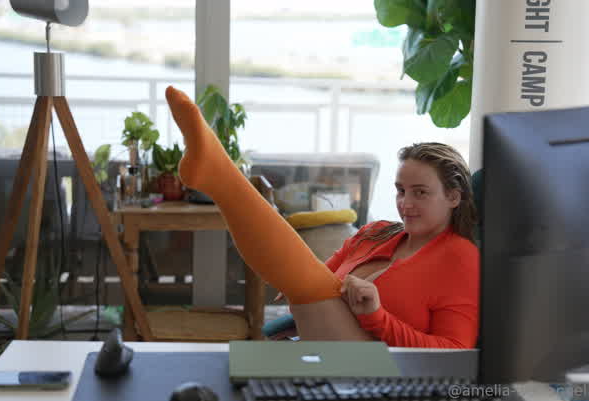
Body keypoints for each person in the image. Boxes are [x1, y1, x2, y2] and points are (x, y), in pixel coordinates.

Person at [165, 86, 479, 348]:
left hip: (381, 365)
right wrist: (295, 280)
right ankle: (216, 172)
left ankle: (218, 172)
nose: (405, 203)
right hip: (320, 343)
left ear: (454, 197)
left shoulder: (460, 257)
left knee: (308, 285)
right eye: (400, 191)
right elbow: (318, 280)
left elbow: (455, 351)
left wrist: (377, 317)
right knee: (307, 282)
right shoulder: (375, 233)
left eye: (420, 193)